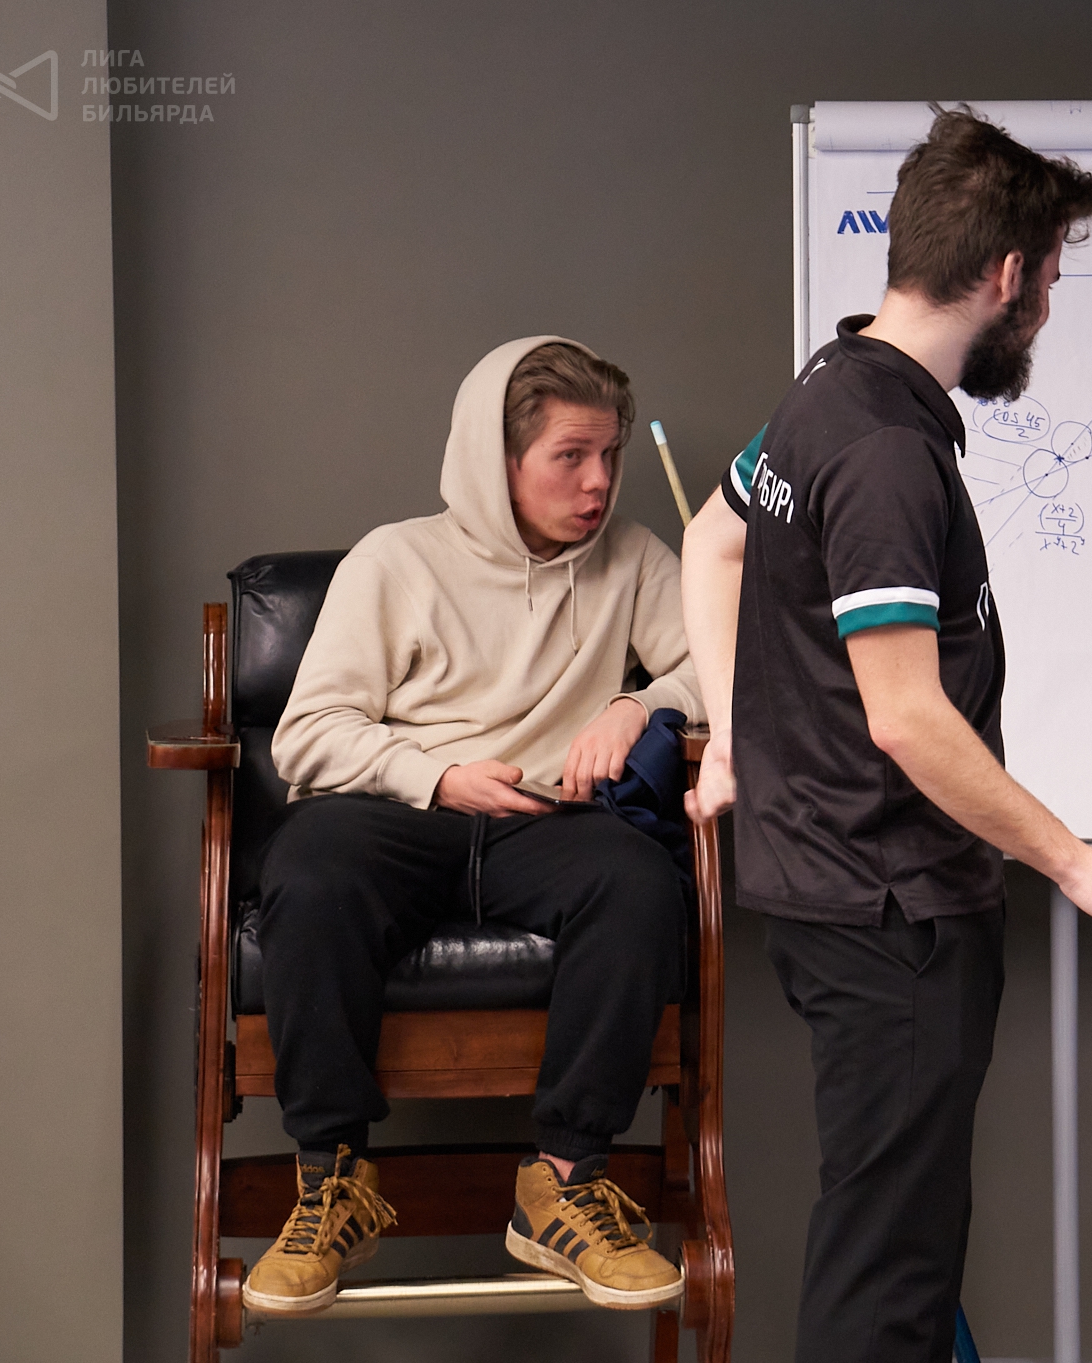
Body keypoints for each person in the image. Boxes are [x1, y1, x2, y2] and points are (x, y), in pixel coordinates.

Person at [677, 109, 1092, 1363]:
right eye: (1050, 281)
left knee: (890, 1244)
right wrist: (1075, 863)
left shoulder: (826, 388)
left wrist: (738, 733)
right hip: (891, 911)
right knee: (885, 1280)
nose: (1046, 313)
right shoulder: (886, 452)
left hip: (832, 890)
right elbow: (906, 718)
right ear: (1006, 275)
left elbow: (711, 537)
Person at [241, 337, 700, 1317]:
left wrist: (640, 706)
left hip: (545, 819)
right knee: (309, 869)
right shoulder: (396, 559)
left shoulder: (633, 556)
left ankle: (564, 1185)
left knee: (635, 878)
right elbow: (308, 735)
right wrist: (439, 776)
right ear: (499, 462)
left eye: (609, 455)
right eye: (569, 456)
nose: (598, 481)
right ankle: (331, 1180)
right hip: (401, 810)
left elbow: (722, 666)